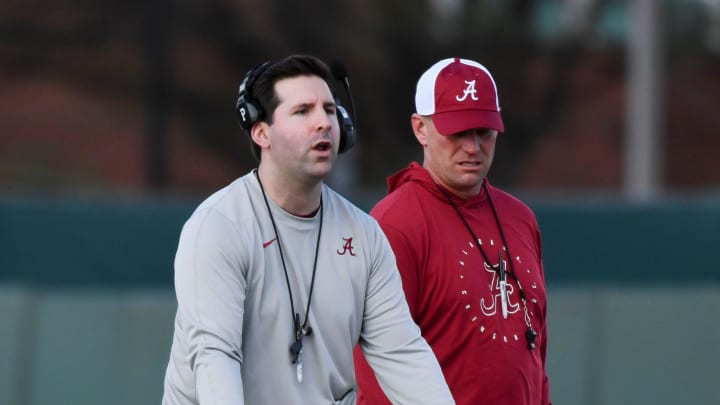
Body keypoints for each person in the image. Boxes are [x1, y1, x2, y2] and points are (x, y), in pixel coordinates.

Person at [161, 54, 454, 404]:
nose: (324, 123)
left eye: (330, 110)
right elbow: (214, 357)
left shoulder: (364, 235)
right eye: (303, 111)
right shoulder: (218, 227)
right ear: (261, 132)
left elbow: (403, 354)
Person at [353, 57, 552, 405]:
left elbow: (535, 350)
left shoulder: (520, 218)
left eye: (484, 132)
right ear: (420, 128)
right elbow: (373, 367)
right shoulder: (395, 224)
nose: (473, 147)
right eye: (457, 132)